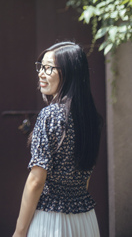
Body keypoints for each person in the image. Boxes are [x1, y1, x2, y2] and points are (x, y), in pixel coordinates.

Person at [12, 41, 102, 237]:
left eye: (48, 68)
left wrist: (19, 231)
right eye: (40, 67)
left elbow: (36, 181)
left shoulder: (50, 115)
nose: (41, 73)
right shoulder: (91, 119)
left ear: (69, 73)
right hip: (85, 219)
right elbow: (85, 176)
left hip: (51, 221)